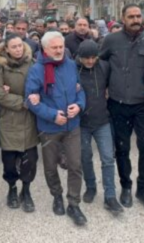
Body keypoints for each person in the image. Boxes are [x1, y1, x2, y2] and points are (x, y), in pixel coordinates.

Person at [98, 4, 144, 213]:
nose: (135, 19)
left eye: (138, 16)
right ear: (122, 18)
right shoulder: (111, 40)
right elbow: (100, 64)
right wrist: (101, 88)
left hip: (143, 104)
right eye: (131, 16)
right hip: (118, 104)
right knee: (122, 149)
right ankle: (125, 186)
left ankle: (143, 189)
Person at [25, 32, 88, 226]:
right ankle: (57, 196)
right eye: (55, 47)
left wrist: (79, 105)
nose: (59, 50)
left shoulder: (70, 64)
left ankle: (73, 203)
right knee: (50, 167)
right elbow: (31, 100)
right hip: (49, 127)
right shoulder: (37, 70)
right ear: (45, 49)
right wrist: (53, 115)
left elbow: (80, 91)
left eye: (61, 47)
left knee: (75, 165)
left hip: (72, 125)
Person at [0, 34, 38, 213]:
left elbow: (39, 88)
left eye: (20, 45)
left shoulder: (33, 64)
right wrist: (23, 102)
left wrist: (31, 100)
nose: (18, 49)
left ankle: (26, 191)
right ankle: (12, 188)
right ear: (6, 49)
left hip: (30, 119)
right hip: (8, 119)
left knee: (30, 160)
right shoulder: (0, 67)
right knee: (9, 161)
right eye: (14, 46)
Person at [76, 40, 123, 214]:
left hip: (102, 120)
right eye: (86, 58)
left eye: (93, 58)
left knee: (108, 158)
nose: (89, 61)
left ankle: (110, 195)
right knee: (85, 156)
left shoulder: (104, 67)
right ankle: (90, 186)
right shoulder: (73, 70)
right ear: (79, 57)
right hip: (81, 123)